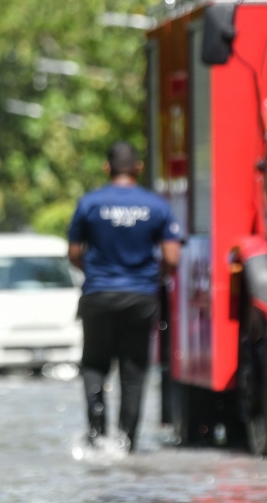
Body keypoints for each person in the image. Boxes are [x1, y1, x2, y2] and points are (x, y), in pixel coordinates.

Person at [67, 141, 183, 450]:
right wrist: (152, 278)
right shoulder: (156, 205)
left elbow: (74, 253)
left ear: (107, 168)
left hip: (98, 295)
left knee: (94, 364)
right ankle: (126, 441)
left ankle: (95, 430)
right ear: (138, 168)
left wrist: (95, 273)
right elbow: (172, 257)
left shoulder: (89, 204)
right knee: (134, 371)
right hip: (141, 297)